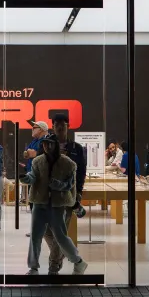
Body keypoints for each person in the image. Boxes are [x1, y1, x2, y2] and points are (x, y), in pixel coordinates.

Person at [22, 134, 88, 275]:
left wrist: (59, 186)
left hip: (57, 205)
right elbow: (33, 177)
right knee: (35, 236)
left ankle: (78, 261)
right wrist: (25, 178)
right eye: (45, 144)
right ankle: (33, 267)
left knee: (61, 237)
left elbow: (71, 185)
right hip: (40, 203)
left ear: (56, 145)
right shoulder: (38, 161)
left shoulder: (68, 163)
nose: (47, 146)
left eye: (50, 144)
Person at [44, 113, 88, 275]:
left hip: (68, 195)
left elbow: (81, 172)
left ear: (68, 126)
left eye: (63, 124)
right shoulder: (47, 145)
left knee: (60, 232)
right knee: (46, 231)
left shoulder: (76, 148)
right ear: (53, 126)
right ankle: (70, 257)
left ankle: (53, 267)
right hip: (47, 195)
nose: (60, 127)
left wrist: (79, 193)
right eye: (57, 125)